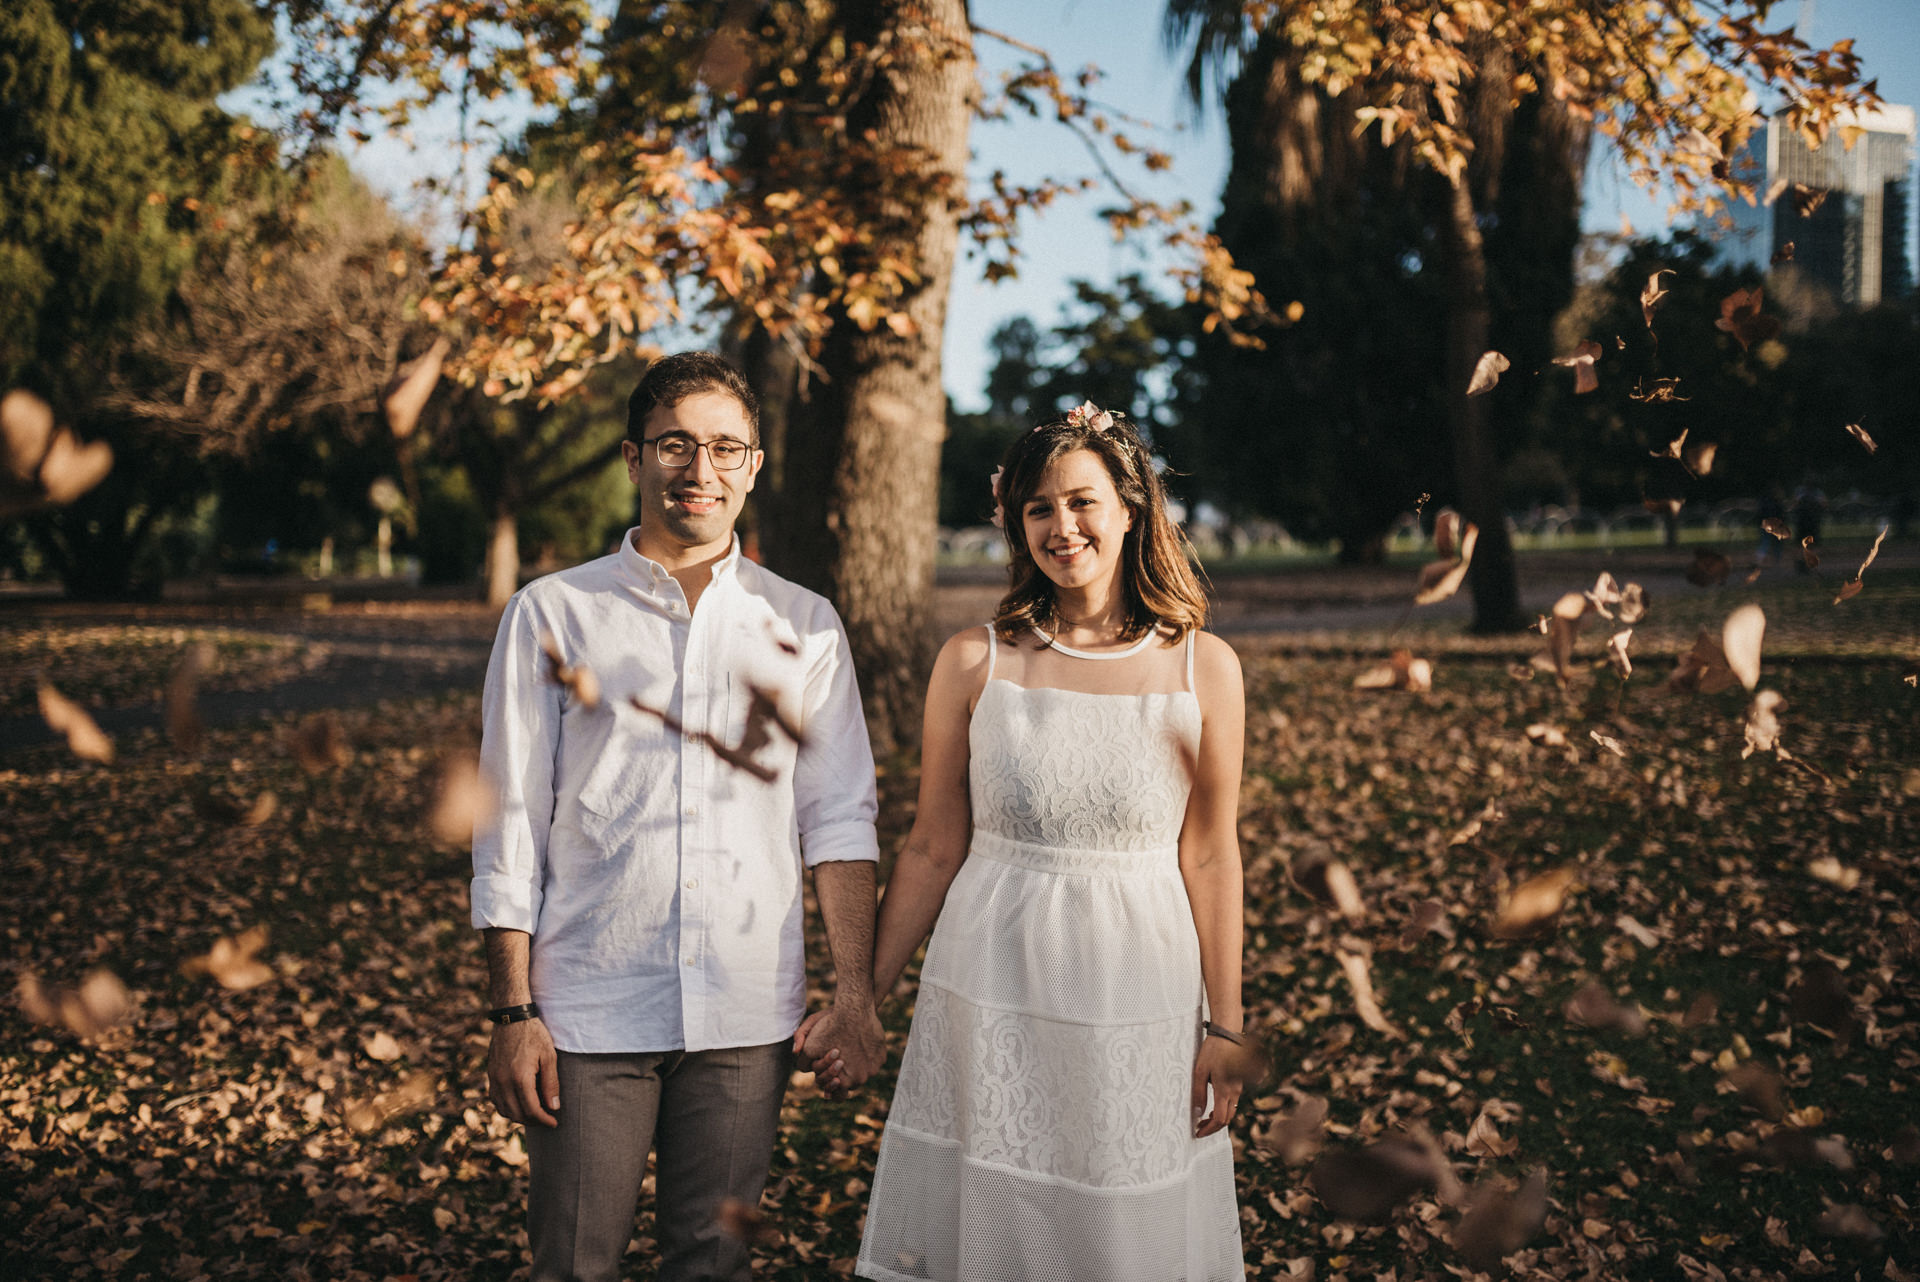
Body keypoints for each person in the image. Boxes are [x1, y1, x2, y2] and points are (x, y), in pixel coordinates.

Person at [809, 402, 1250, 1281]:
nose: (1062, 527)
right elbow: (933, 846)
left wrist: (1227, 1025)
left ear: (1131, 508)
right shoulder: (975, 661)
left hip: (1139, 982)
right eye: (1038, 508)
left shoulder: (1206, 666)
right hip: (991, 978)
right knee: (1002, 1199)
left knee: (1122, 1208)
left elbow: (1208, 854)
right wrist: (864, 1000)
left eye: (1082, 502)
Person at [470, 351, 886, 1282]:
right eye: (676, 444)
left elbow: (840, 824)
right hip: (588, 1009)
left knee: (713, 1264)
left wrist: (855, 996)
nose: (701, 470)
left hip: (746, 1014)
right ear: (633, 457)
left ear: (755, 465)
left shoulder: (806, 625)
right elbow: (508, 826)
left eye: (725, 448)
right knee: (575, 1262)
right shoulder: (552, 614)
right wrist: (513, 1009)